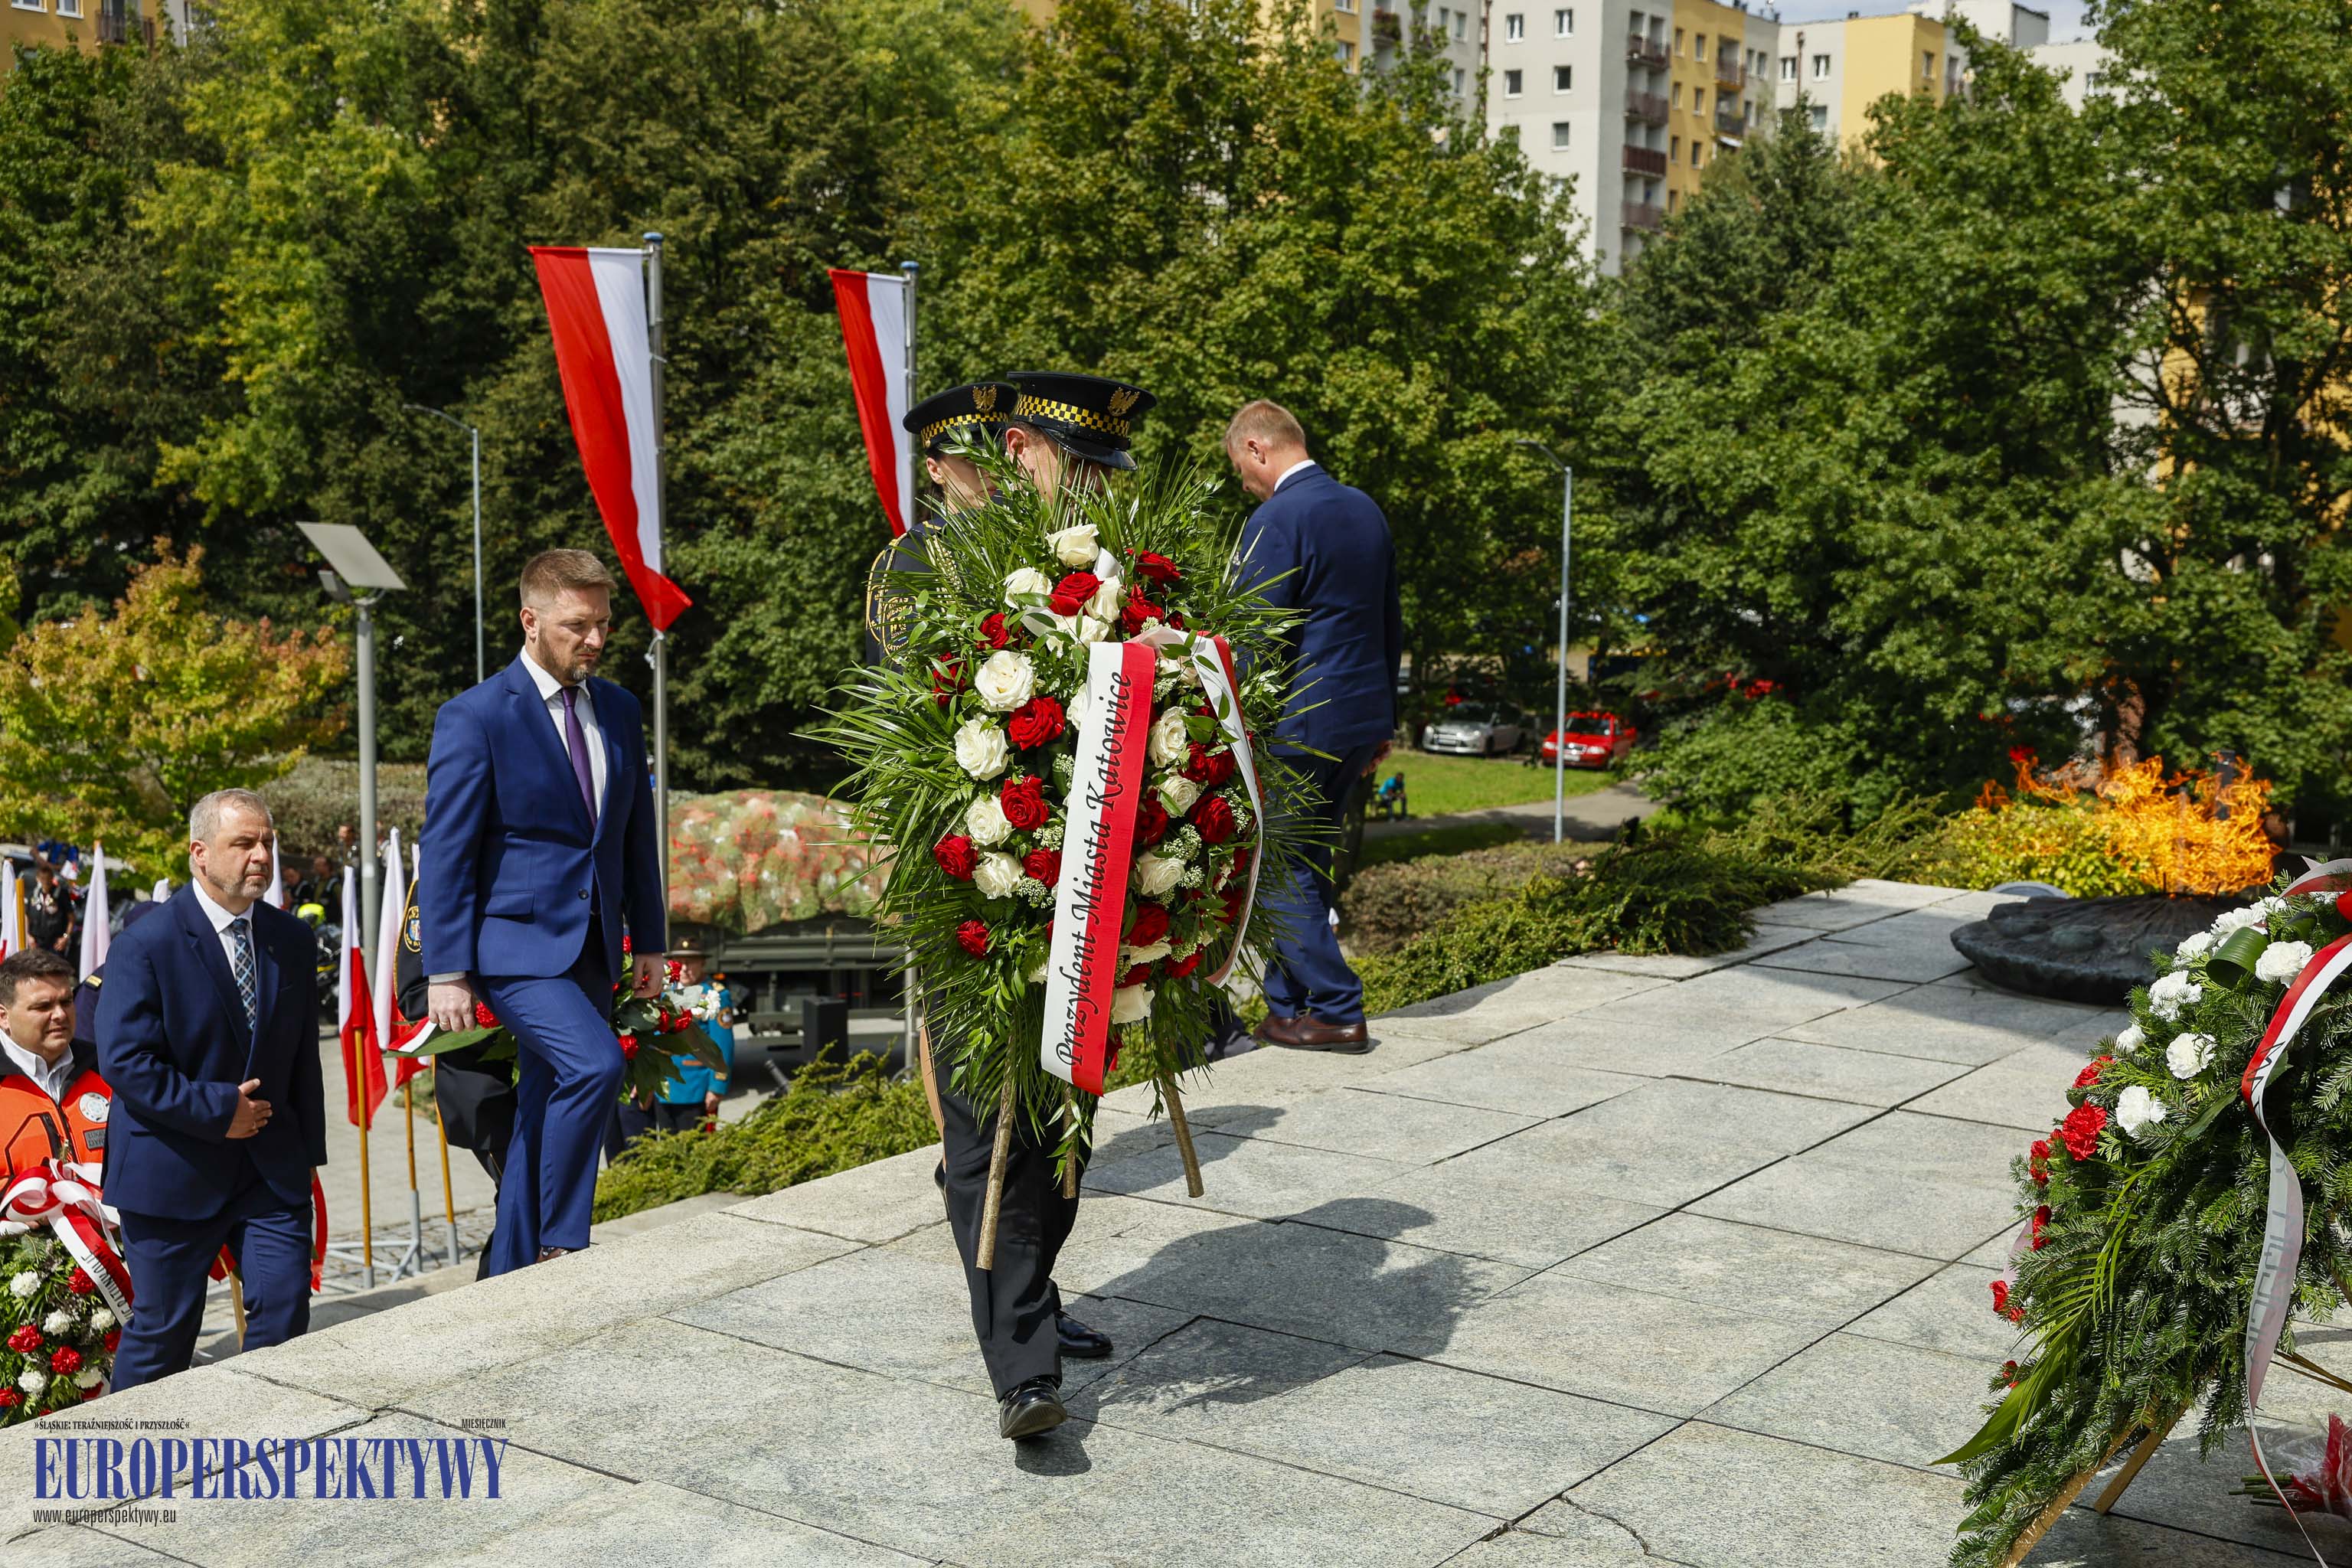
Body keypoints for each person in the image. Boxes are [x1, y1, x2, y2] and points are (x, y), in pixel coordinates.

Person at [929, 371, 1152, 1444]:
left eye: (1117, 468)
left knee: (1067, 1117)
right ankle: (1021, 1369)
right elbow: (920, 744)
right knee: (986, 1136)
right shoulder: (935, 567)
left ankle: (1037, 1303)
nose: (1110, 486)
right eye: (1091, 466)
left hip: (1095, 892)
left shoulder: (1127, 573)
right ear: (1023, 452)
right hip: (976, 892)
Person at [420, 548, 667, 1276]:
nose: (593, 639)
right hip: (512, 950)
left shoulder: (619, 709)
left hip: (592, 944)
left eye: (602, 624)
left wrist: (648, 939)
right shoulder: (474, 717)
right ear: (530, 621)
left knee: (542, 1107)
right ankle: (565, 1243)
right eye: (576, 625)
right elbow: (448, 850)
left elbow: (632, 833)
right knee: (592, 1065)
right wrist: (448, 970)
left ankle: (509, 1272)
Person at [95, 789, 326, 1390]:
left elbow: (303, 1061)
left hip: (268, 1171)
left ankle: (259, 1450)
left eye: (267, 843)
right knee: (166, 1331)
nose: (260, 856)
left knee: (284, 1312)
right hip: (172, 1169)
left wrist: (306, 1159)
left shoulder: (291, 941)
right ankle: (127, 1469)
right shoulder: (145, 944)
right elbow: (126, 1061)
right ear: (200, 854)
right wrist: (220, 1110)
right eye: (243, 843)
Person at [1227, 398, 1403, 1053]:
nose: (1242, 482)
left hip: (1301, 723)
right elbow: (1390, 619)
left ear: (1257, 449)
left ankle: (1335, 1008)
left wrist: (1233, 721)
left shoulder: (1276, 518)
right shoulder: (1366, 509)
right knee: (1309, 863)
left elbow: (1257, 636)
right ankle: (1287, 1006)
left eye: (1239, 468)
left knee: (1276, 867)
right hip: (1360, 718)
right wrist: (1386, 717)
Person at [0, 949, 112, 1180]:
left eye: (66, 1002)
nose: (60, 1014)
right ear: (4, 1017)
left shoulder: (106, 1066)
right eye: (43, 1007)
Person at [652, 946, 732, 1133]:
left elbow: (723, 1044)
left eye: (691, 962)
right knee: (667, 1151)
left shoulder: (715, 995)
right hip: (665, 1087)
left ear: (703, 963)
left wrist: (717, 1086)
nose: (685, 968)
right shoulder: (664, 993)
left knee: (694, 1151)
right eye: (680, 962)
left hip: (695, 1086)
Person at [24, 860, 72, 955]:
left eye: (48, 879)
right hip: (36, 942)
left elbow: (71, 918)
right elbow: (27, 916)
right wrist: (27, 935)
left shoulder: (61, 895)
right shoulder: (33, 895)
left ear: (52, 878)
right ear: (38, 879)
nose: (46, 882)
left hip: (55, 943)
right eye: (43, 879)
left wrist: (66, 937)